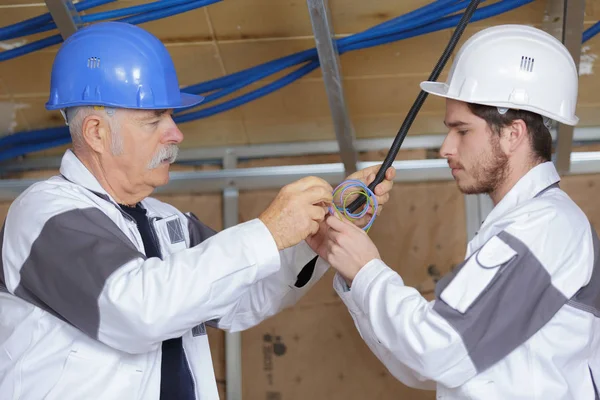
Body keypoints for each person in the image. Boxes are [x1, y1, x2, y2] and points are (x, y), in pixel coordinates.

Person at [0, 21, 396, 399]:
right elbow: (136, 310)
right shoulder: (44, 215)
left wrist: (319, 233)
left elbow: (246, 297)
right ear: (97, 133)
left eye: (171, 116)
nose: (176, 133)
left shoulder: (165, 221)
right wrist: (268, 231)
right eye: (154, 119)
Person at [314, 24, 600, 399]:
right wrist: (354, 275)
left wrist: (367, 270)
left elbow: (438, 348)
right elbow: (425, 366)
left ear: (513, 134)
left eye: (462, 131)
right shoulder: (522, 227)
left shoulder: (546, 227)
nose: (446, 148)